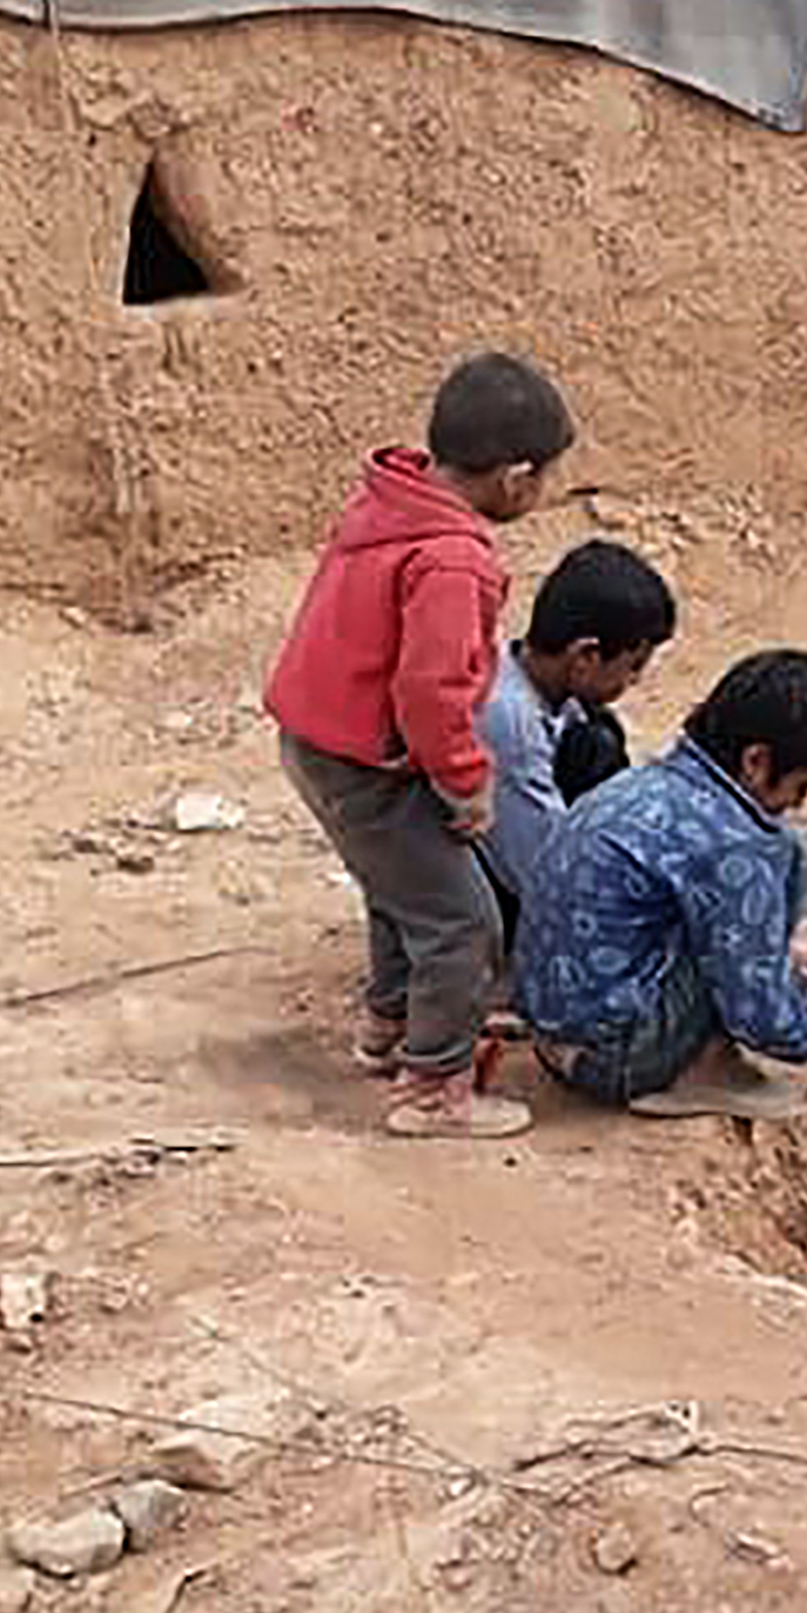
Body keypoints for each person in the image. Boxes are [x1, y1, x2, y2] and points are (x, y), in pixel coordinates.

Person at [266, 352, 572, 1140]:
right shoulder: (453, 559)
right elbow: (431, 689)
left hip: (321, 739)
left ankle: (392, 1022)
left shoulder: (390, 503)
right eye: (546, 479)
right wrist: (467, 782)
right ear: (515, 478)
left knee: (401, 886)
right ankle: (434, 1086)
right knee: (462, 922)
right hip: (367, 757)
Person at [519, 649, 807, 1118]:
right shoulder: (734, 847)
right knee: (783, 858)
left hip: (552, 1039)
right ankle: (702, 1067)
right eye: (802, 786)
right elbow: (758, 1013)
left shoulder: (647, 785)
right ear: (756, 761)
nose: (799, 803)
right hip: (617, 1061)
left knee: (766, 878)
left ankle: (687, 1044)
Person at [474, 538, 676, 940]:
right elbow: (541, 869)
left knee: (598, 739)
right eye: (633, 666)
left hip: (509, 846)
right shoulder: (510, 722)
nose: (635, 681)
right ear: (586, 655)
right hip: (483, 867)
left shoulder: (552, 691)